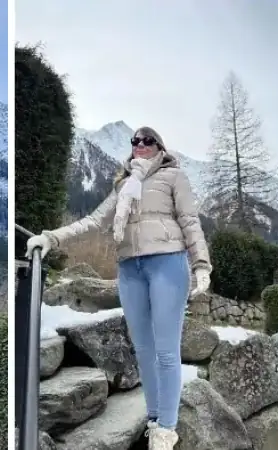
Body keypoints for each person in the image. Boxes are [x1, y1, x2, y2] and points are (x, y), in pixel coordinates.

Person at [26, 126, 211, 450]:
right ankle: (155, 419)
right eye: (135, 141)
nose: (140, 144)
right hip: (130, 269)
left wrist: (201, 264)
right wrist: (51, 238)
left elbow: (190, 221)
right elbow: (94, 220)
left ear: (160, 147)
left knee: (166, 351)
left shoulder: (173, 176)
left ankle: (166, 431)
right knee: (144, 350)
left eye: (147, 140)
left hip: (167, 264)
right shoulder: (124, 184)